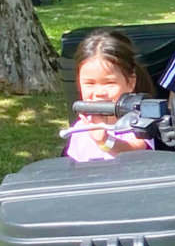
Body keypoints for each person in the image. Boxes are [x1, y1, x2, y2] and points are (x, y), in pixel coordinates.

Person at [66, 30, 156, 161]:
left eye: (109, 83)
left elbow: (136, 153)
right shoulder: (80, 128)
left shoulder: (139, 123)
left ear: (131, 82)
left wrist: (105, 141)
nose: (99, 92)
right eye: (90, 83)